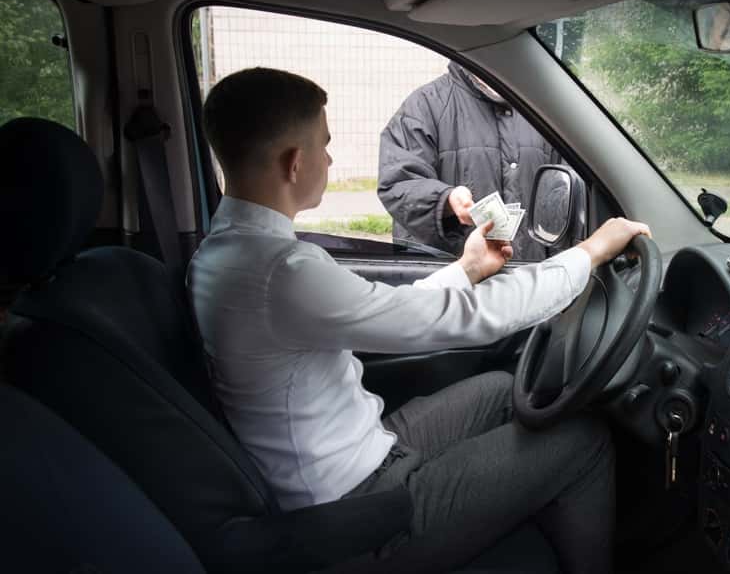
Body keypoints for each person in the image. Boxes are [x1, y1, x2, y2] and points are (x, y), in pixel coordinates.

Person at [187, 67, 651, 574]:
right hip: (358, 514)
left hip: (361, 453)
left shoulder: (223, 255)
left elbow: (392, 311)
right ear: (295, 164)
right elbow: (465, 319)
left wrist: (468, 269)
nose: (330, 159)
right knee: (584, 443)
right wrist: (588, 253)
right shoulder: (282, 273)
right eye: (325, 145)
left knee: (503, 390)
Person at [378, 61, 560, 260]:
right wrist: (445, 200)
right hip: (457, 273)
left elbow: (564, 193)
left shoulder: (542, 108)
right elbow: (399, 182)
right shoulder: (424, 105)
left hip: (532, 272)